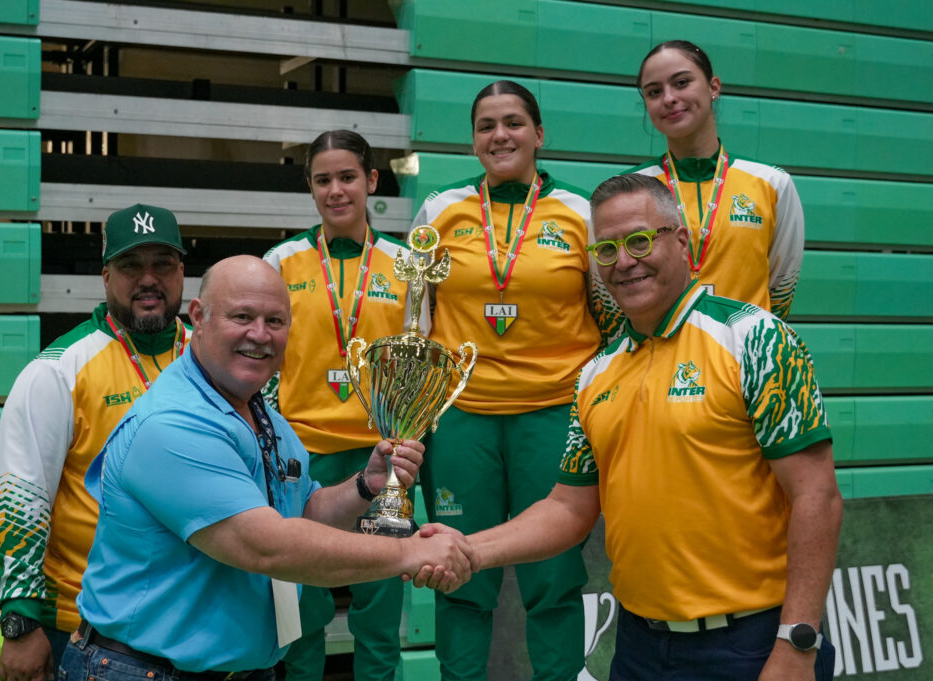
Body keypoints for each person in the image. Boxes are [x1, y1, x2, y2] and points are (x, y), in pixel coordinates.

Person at [449, 173, 842, 681]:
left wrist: (798, 640)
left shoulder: (755, 338)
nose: (624, 262)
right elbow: (568, 509)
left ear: (681, 242)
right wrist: (468, 550)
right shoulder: (595, 373)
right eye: (607, 249)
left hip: (753, 643)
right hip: (638, 647)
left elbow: (817, 496)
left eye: (639, 240)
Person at [61, 255, 475, 681]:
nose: (260, 335)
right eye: (242, 317)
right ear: (198, 317)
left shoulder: (264, 418)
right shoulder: (172, 424)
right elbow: (267, 545)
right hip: (140, 671)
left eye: (275, 321)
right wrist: (410, 552)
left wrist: (364, 487)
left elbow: (302, 511)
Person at [410, 80, 614, 681]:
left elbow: (608, 316)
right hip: (460, 421)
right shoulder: (438, 211)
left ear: (539, 134)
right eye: (486, 126)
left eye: (514, 123)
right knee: (455, 570)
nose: (500, 135)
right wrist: (410, 421)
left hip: (554, 416)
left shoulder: (581, 213)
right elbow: (416, 322)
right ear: (473, 140)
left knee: (553, 577)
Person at [0, 203, 189, 681]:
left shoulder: (212, 358)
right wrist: (20, 623)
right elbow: (18, 497)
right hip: (90, 632)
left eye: (162, 264)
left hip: (194, 619)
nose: (148, 279)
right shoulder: (58, 369)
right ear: (105, 276)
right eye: (130, 265)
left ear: (182, 272)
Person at [263, 130, 426, 681]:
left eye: (348, 177)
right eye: (323, 179)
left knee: (379, 609)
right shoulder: (281, 262)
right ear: (309, 187)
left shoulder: (407, 264)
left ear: (372, 180)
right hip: (302, 455)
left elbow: (418, 363)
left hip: (382, 454)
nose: (336, 190)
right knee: (302, 609)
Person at [628, 39, 804, 320]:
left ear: (713, 87)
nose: (669, 98)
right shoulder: (630, 189)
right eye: (654, 92)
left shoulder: (772, 183)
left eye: (682, 83)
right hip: (660, 346)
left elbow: (781, 288)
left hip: (746, 346)